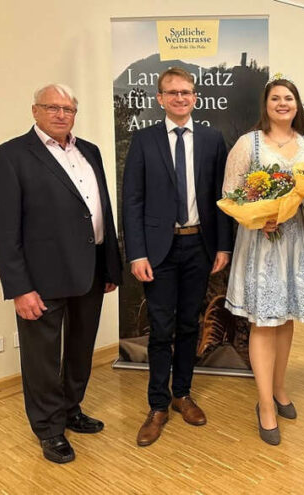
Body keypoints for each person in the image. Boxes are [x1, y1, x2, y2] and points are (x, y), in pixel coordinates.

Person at [0, 84, 122, 464]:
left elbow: (101, 212)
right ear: (35, 111)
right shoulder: (11, 156)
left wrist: (110, 265)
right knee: (42, 358)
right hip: (41, 279)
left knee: (80, 350)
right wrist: (19, 288)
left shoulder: (89, 151)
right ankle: (49, 429)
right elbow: (3, 228)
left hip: (92, 271)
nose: (61, 114)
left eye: (68, 108)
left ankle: (70, 409)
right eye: (52, 107)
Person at [122, 67, 233, 447]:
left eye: (186, 92)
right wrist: (136, 252)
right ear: (160, 98)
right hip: (158, 250)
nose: (180, 97)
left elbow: (221, 198)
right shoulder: (144, 140)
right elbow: (132, 201)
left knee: (189, 325)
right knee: (161, 328)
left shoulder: (212, 139)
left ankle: (182, 394)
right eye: (172, 92)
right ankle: (157, 406)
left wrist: (223, 245)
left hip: (198, 247)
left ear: (195, 97)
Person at [222, 74, 304, 445]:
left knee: (286, 316)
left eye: (288, 98)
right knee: (264, 320)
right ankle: (263, 404)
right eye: (275, 98)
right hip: (263, 241)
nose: (282, 104)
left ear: (297, 105)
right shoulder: (249, 144)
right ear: (266, 105)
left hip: (297, 239)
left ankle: (279, 388)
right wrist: (261, 215)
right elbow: (230, 194)